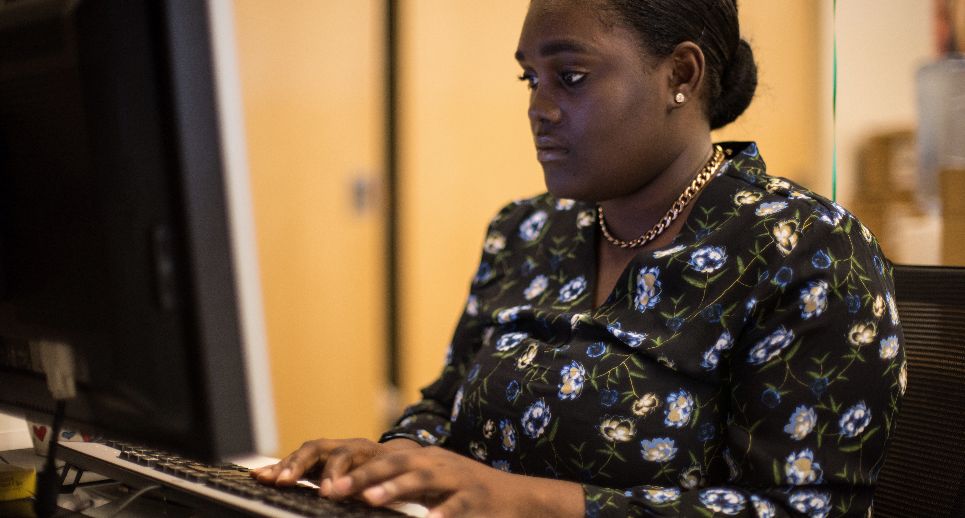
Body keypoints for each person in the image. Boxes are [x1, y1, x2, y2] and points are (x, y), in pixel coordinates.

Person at [253, 1, 905, 516]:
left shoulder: (805, 249)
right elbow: (444, 403)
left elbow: (799, 511)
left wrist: (518, 500)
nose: (538, 108)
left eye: (569, 77)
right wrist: (387, 464)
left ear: (680, 74)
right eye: (529, 78)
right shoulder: (528, 230)